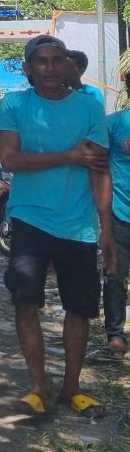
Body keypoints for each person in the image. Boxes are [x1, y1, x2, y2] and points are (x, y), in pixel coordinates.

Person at [0, 35, 116, 418]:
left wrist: (106, 229)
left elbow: (98, 170)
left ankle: (72, 388)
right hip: (29, 217)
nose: (48, 67)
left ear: (67, 65)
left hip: (78, 225)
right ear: (28, 69)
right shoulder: (15, 104)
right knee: (25, 301)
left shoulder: (90, 107)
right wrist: (69, 155)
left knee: (79, 309)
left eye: (56, 60)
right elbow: (10, 160)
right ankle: (37, 387)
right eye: (40, 61)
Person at [101, 70, 130, 359]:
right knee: (113, 276)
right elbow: (98, 168)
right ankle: (116, 336)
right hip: (120, 214)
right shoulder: (114, 124)